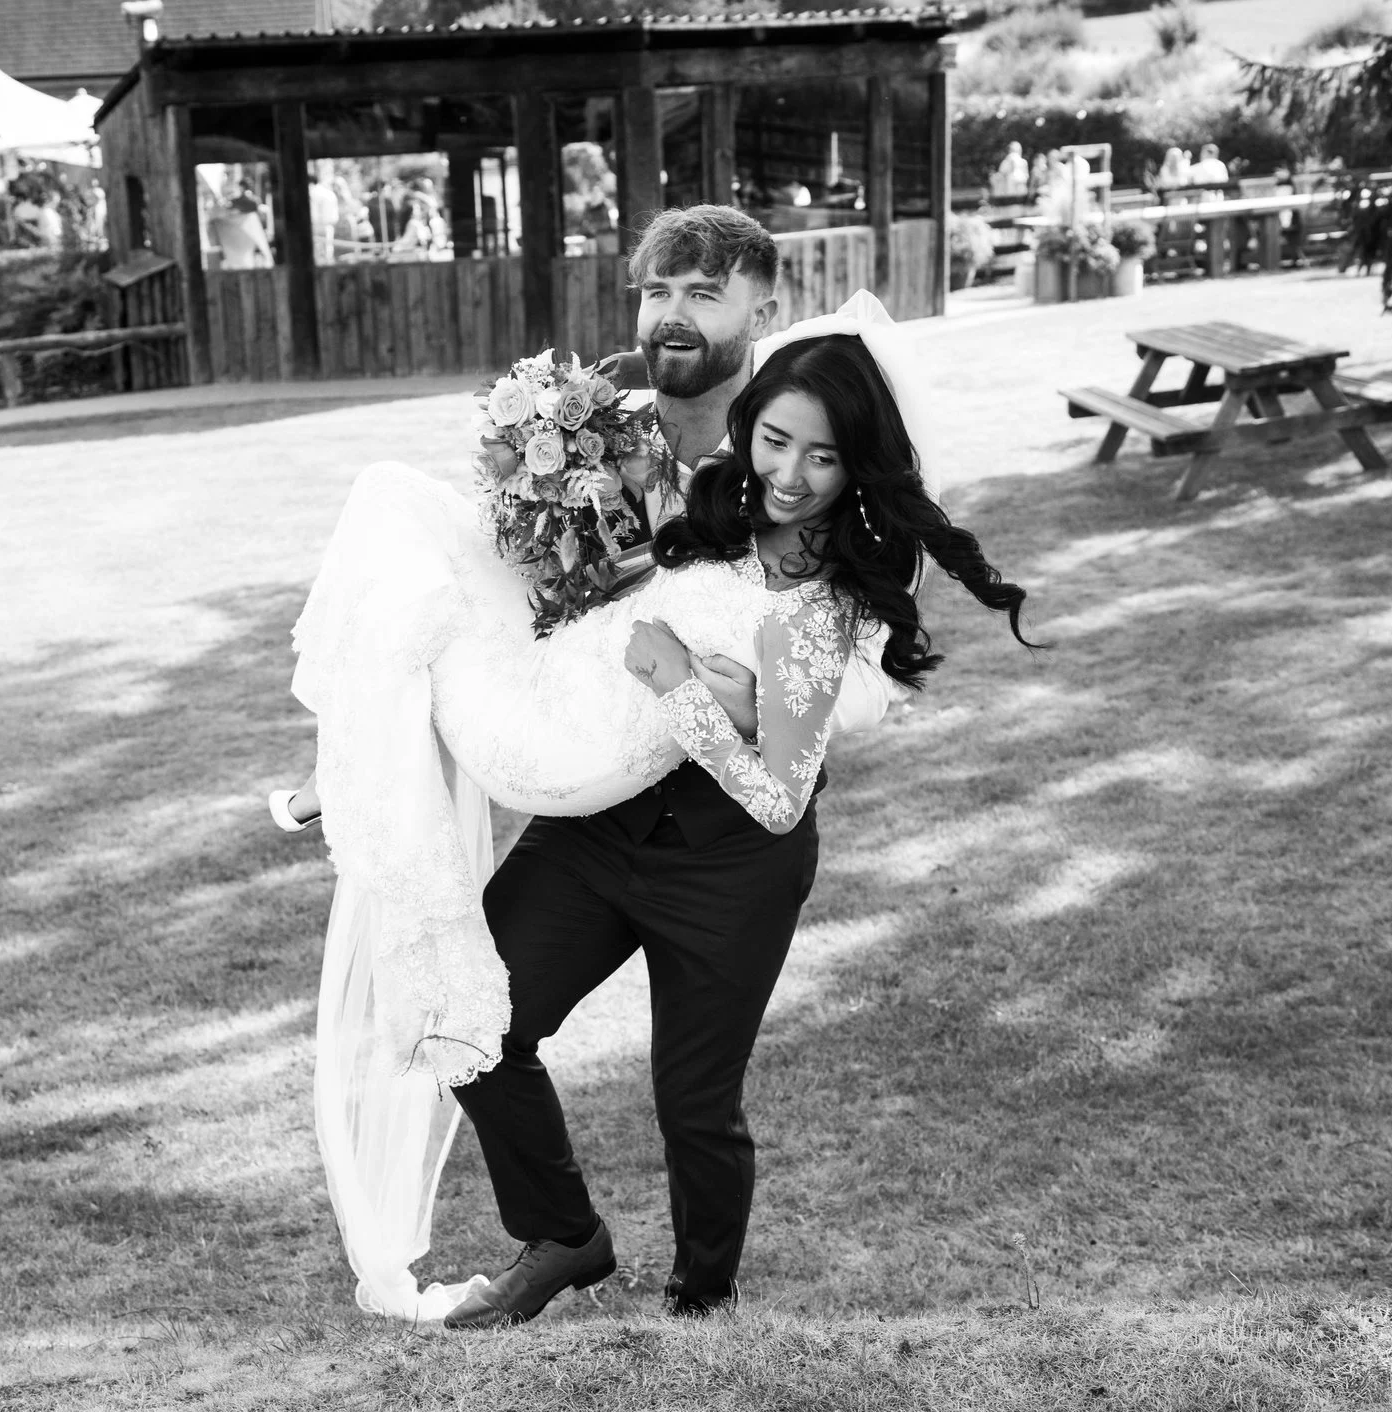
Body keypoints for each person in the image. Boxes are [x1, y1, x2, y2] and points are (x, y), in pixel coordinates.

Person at [270, 207, 1037, 1324]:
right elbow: (561, 612)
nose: (788, 468)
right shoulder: (634, 458)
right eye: (775, 443)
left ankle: (702, 1294)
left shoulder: (820, 548)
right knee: (471, 1021)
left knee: (694, 1099)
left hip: (728, 857)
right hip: (599, 823)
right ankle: (564, 1236)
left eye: (817, 455)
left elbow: (786, 759)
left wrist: (696, 682)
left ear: (761, 318)